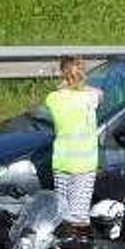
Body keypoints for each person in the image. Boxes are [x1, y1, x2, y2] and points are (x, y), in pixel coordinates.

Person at [45, 56, 103, 232]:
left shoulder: (53, 98)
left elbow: (59, 92)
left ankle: (63, 247)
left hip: (61, 162)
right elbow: (101, 94)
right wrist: (81, 86)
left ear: (62, 74)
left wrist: (65, 86)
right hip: (83, 165)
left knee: (63, 212)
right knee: (79, 216)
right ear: (82, 74)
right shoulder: (89, 98)